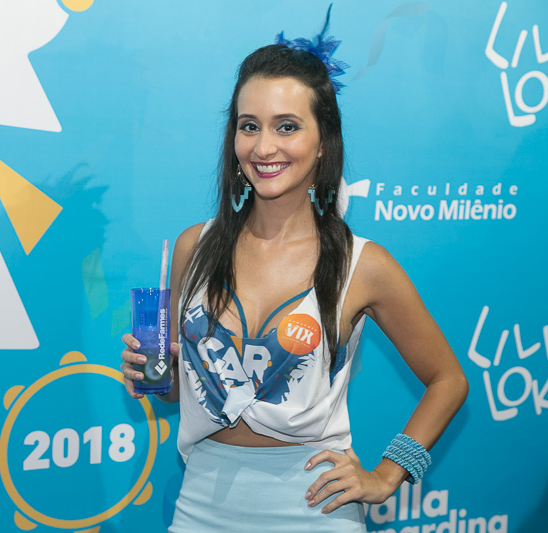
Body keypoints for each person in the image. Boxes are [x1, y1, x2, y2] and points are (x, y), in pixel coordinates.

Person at [120, 23, 468, 532]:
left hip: (315, 508)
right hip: (201, 507)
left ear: (323, 140)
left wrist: (388, 474)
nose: (264, 147)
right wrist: (154, 375)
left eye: (286, 126)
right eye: (249, 126)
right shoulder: (194, 247)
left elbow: (448, 380)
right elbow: (176, 391)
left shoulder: (362, 264)